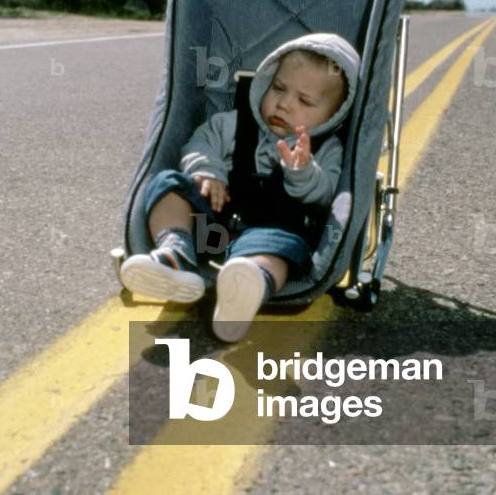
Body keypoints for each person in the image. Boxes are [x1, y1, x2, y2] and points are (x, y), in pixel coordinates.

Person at [121, 32, 360, 342]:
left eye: (304, 101)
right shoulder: (234, 123)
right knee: (168, 183)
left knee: (281, 250)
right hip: (213, 227)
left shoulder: (326, 149)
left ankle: (248, 287)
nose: (284, 104)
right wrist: (208, 171)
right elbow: (201, 143)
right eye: (278, 88)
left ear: (333, 116)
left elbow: (327, 193)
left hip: (271, 234)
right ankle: (175, 252)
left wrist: (301, 172)